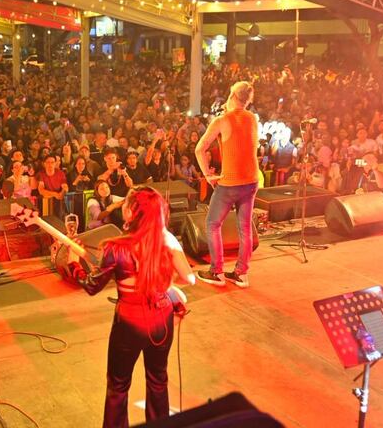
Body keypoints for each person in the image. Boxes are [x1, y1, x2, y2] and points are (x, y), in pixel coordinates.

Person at [68, 187, 195, 428]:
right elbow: (188, 278)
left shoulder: (116, 248)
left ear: (130, 212)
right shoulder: (166, 242)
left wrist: (74, 265)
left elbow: (92, 286)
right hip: (162, 320)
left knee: (118, 386)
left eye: (126, 202)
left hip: (129, 323)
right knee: (158, 381)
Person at [195, 81, 259, 288]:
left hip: (230, 182)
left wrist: (207, 174)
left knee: (213, 224)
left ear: (232, 94)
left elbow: (200, 149)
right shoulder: (252, 118)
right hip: (251, 180)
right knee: (245, 228)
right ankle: (241, 273)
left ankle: (217, 272)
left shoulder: (222, 120)